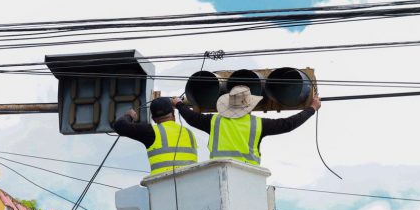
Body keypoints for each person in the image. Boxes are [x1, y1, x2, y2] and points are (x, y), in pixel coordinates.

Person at [172, 85, 321, 166]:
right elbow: (288, 124)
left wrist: (178, 104)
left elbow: (191, 118)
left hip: (219, 171)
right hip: (249, 175)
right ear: (249, 107)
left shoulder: (215, 121)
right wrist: (312, 108)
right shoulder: (258, 124)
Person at [111, 97, 198, 175]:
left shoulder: (150, 132)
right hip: (191, 182)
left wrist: (129, 115)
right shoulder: (189, 133)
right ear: (173, 114)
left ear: (153, 119)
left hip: (161, 185)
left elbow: (119, 126)